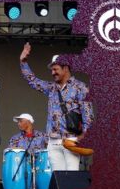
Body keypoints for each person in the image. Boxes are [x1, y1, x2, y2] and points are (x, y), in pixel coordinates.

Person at [19, 42, 94, 171]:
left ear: (66, 68)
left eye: (56, 69)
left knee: (71, 177)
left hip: (71, 139)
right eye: (52, 70)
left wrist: (85, 135)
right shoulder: (51, 88)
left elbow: (88, 114)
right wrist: (23, 62)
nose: (53, 72)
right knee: (58, 178)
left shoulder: (80, 88)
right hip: (53, 141)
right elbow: (33, 81)